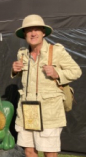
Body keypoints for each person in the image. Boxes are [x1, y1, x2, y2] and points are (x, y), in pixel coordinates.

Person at [12, 14, 82, 157]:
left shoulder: (56, 51)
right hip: (27, 111)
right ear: (24, 34)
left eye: (37, 29)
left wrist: (57, 74)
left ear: (43, 32)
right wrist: (15, 70)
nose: (33, 33)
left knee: (50, 152)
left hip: (49, 112)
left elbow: (77, 71)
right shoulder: (22, 54)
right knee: (29, 150)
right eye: (29, 30)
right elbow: (26, 76)